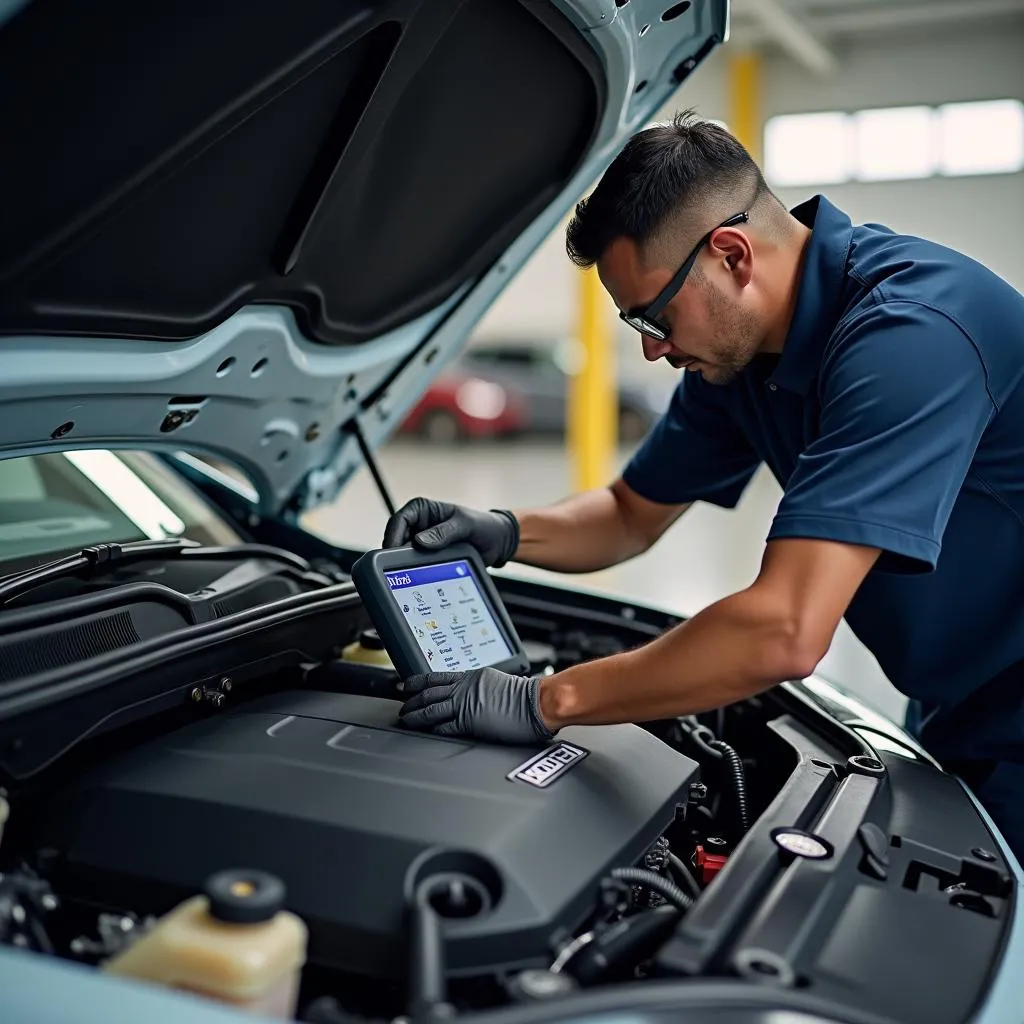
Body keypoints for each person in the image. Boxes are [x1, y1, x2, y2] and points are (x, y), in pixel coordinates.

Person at [382, 110, 1024, 859]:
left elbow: (783, 630)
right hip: (957, 701)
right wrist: (502, 532)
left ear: (731, 255)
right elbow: (629, 515)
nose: (653, 350)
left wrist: (545, 700)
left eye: (653, 316)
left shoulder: (912, 337)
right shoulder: (740, 355)